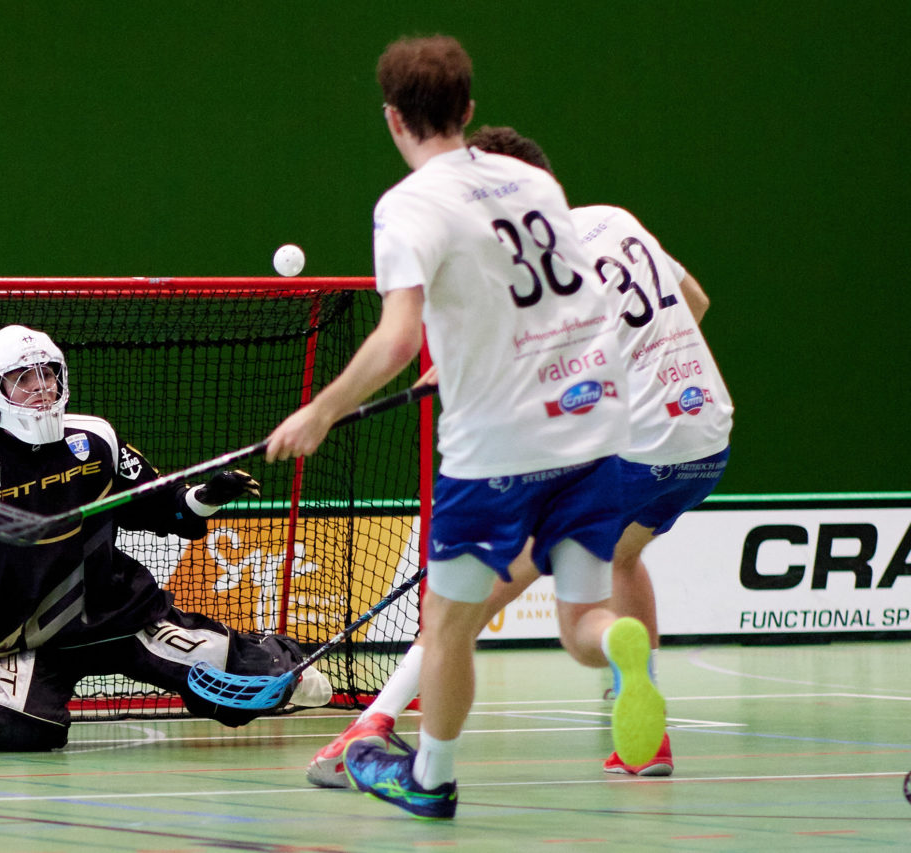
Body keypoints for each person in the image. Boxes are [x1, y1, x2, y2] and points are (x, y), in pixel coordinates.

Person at [265, 36, 664, 819]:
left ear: (392, 119)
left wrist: (322, 409)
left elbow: (397, 338)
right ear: (469, 109)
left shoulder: (406, 207)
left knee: (449, 624)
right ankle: (621, 645)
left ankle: (434, 775)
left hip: (497, 447)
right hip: (594, 424)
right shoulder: (530, 179)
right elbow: (549, 298)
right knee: (582, 615)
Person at [304, 126, 733, 788]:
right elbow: (696, 302)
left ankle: (377, 722)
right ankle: (645, 740)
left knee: (470, 603)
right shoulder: (616, 219)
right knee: (622, 555)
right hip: (706, 432)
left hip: (626, 444)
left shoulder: (522, 262)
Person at [0, 324, 332, 749]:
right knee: (16, 731)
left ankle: (270, 657)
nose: (42, 387)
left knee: (235, 696)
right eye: (23, 378)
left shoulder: (96, 440)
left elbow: (165, 508)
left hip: (125, 618)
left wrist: (209, 495)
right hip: (32, 641)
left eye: (48, 373)